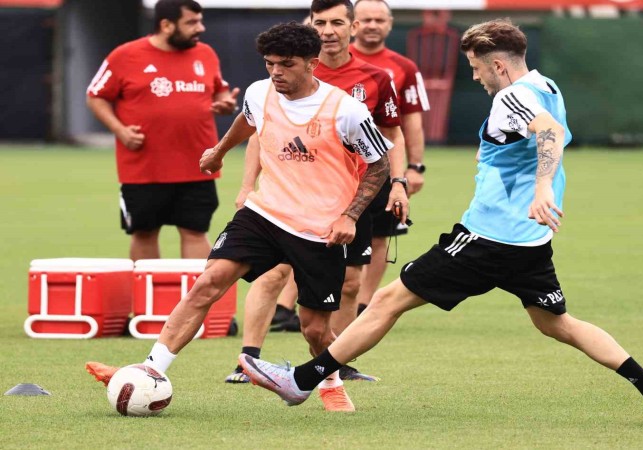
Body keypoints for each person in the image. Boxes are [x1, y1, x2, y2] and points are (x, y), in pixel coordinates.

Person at [238, 18, 643, 425]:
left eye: (476, 68)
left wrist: (543, 188)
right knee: (558, 323)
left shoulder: (512, 95)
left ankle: (302, 380)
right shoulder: (546, 85)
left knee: (388, 300)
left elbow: (548, 133)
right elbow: (535, 136)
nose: (475, 77)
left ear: (498, 65)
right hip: (529, 241)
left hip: (488, 237)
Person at [85, 21, 398, 413]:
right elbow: (248, 119)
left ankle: (331, 383)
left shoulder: (345, 110)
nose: (276, 72)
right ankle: (151, 369)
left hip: (320, 228)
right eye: (270, 63)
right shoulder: (259, 92)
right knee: (207, 283)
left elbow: (379, 164)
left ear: (312, 63)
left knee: (314, 328)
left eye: (286, 64)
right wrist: (219, 151)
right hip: (265, 213)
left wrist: (350, 216)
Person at [224, 0, 407, 384]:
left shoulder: (375, 77)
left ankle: (334, 365)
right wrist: (246, 186)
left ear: (352, 26)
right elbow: (259, 132)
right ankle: (247, 360)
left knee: (350, 283)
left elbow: (392, 134)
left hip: (350, 197)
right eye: (320, 22)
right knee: (272, 273)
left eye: (337, 22)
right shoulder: (284, 73)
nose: (328, 30)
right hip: (286, 196)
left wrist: (401, 182)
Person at [86, 0, 239, 261]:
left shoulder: (206, 54)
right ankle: (147, 290)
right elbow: (95, 95)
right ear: (166, 25)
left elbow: (220, 89)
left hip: (198, 163)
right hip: (144, 167)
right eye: (191, 22)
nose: (200, 28)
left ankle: (195, 290)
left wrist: (225, 103)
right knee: (144, 233)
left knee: (195, 231)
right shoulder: (125, 55)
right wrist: (120, 131)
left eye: (200, 21)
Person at [350, 0, 430, 316]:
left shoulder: (403, 67)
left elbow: (410, 121)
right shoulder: (332, 60)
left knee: (381, 234)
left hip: (382, 166)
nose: (373, 25)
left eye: (379, 19)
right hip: (335, 165)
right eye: (366, 19)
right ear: (353, 23)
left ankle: (363, 304)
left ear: (390, 24)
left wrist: (415, 166)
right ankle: (288, 305)